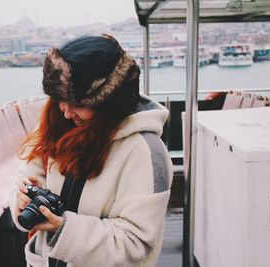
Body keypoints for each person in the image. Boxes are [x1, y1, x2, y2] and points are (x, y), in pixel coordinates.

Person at [10, 33, 173, 267]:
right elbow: (27, 175)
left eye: (77, 103)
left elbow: (136, 244)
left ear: (109, 101)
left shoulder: (146, 151)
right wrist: (22, 200)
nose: (66, 111)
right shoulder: (59, 123)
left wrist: (62, 227)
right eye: (59, 100)